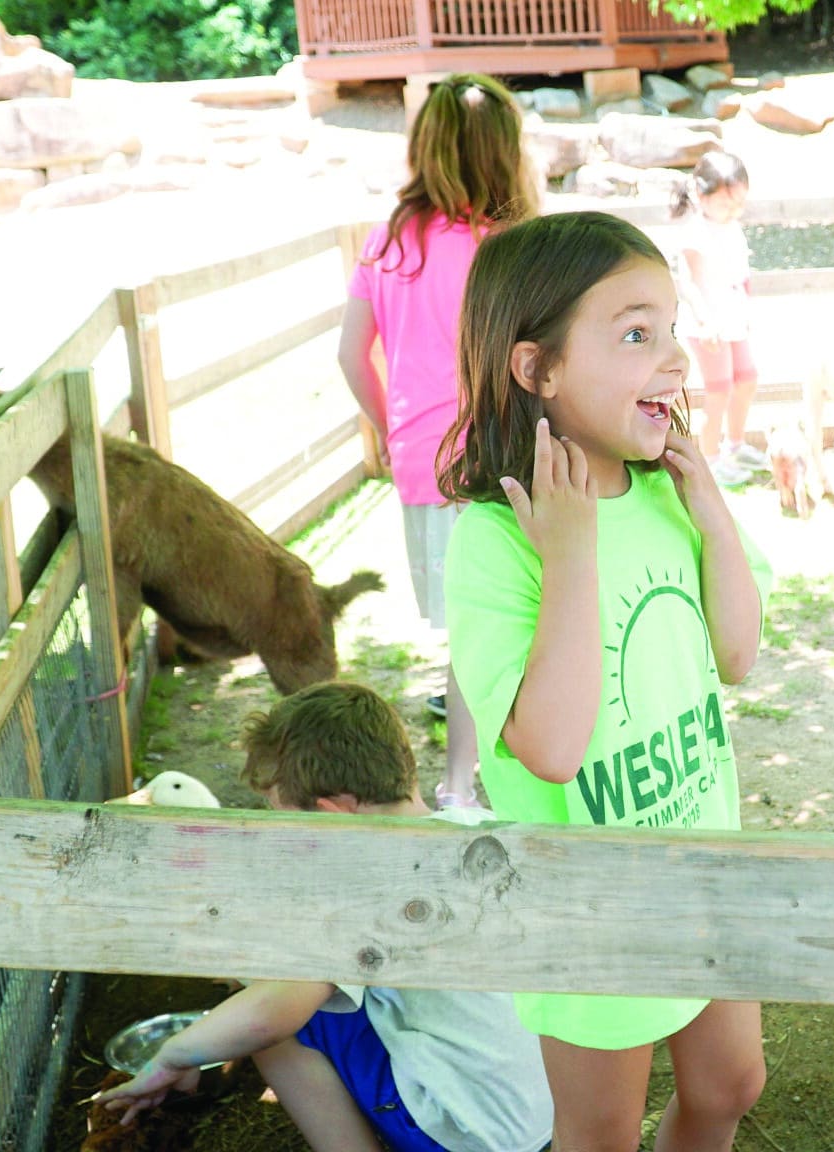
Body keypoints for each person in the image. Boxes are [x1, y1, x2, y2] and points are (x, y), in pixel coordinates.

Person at [438, 211, 771, 1152]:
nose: (674, 359)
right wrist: (572, 549)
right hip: (588, 898)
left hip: (703, 860)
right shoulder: (497, 540)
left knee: (732, 1082)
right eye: (635, 334)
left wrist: (711, 512)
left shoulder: (669, 492)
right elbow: (549, 746)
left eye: (672, 329)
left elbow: (738, 657)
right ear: (535, 368)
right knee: (601, 1133)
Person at [95, 681, 555, 1152]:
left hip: (467, 1133)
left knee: (273, 1017)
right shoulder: (478, 828)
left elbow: (271, 1014)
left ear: (331, 812)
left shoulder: (374, 880)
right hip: (548, 1112)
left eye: (288, 819)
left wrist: (174, 1056)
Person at [338, 72, 538, 811]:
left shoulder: (387, 236)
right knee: (502, 620)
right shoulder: (510, 244)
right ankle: (465, 782)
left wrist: (392, 437)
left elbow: (350, 355)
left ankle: (462, 778)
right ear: (506, 150)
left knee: (468, 623)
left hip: (424, 459)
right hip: (500, 457)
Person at [670, 151, 764, 488]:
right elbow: (690, 283)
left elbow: (740, 273)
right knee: (719, 390)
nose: (734, 210)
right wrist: (705, 320)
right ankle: (710, 459)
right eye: (726, 202)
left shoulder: (731, 226)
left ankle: (736, 444)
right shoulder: (695, 233)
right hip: (709, 325)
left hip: (734, 319)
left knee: (747, 379)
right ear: (701, 195)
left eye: (739, 202)